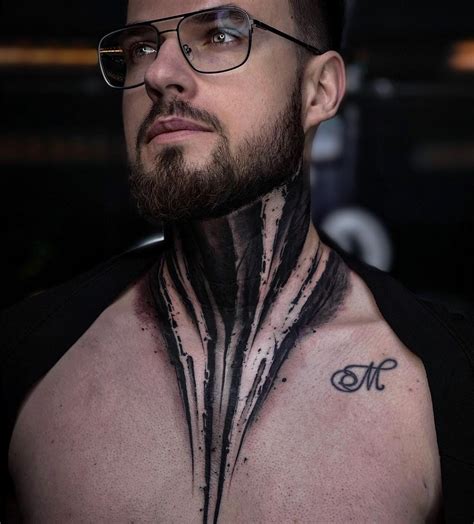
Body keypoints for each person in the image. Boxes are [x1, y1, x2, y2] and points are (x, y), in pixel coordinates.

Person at [1, 0, 473, 522]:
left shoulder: (445, 385)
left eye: (222, 35)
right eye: (141, 48)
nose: (158, 74)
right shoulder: (27, 360)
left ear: (319, 90)